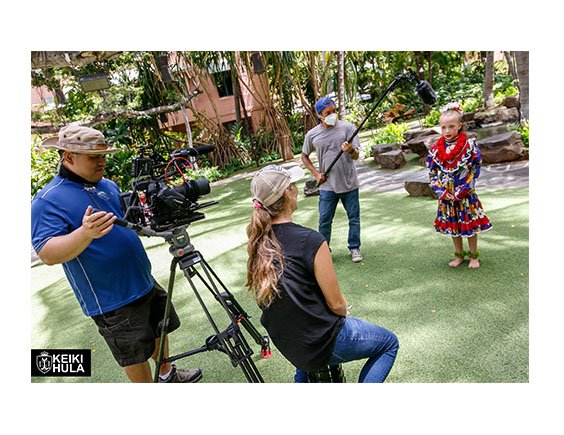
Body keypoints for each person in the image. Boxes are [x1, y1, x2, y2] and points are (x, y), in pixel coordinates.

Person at [31, 125, 202, 383]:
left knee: (159, 328)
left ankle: (166, 374)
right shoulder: (47, 200)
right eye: (94, 157)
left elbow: (129, 221)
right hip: (111, 297)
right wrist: (84, 233)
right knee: (133, 352)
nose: (102, 162)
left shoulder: (107, 185)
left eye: (103, 155)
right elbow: (47, 253)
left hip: (141, 279)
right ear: (68, 157)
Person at [246, 164, 398, 382]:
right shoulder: (311, 240)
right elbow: (336, 304)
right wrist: (344, 311)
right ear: (288, 193)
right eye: (293, 185)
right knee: (388, 343)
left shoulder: (257, 242)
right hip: (319, 340)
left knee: (307, 356)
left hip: (288, 342)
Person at [425, 102, 493, 269]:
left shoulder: (469, 146)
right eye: (443, 127)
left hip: (465, 196)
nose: (447, 131)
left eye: (451, 126)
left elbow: (474, 170)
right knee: (453, 226)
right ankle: (459, 255)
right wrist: (440, 191)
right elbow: (432, 174)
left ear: (459, 126)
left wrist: (464, 190)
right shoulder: (435, 150)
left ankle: (473, 256)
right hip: (447, 197)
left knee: (469, 225)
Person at [301, 96, 364, 263]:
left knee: (354, 217)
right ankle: (324, 251)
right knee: (324, 220)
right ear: (320, 115)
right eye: (328, 112)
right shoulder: (312, 135)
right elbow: (304, 156)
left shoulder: (347, 128)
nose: (332, 115)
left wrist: (350, 150)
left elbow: (356, 156)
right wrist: (316, 174)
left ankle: (354, 247)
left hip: (349, 182)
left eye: (334, 111)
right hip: (327, 185)